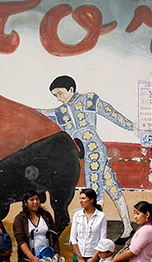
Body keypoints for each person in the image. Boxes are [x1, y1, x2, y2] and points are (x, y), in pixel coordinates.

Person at [40, 75, 135, 236]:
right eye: (55, 95)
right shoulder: (60, 111)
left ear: (71, 89)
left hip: (93, 147)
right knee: (111, 186)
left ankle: (96, 231)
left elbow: (110, 112)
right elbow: (41, 114)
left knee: (94, 187)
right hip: (86, 150)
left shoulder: (88, 99)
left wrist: (132, 127)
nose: (58, 98)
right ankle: (127, 227)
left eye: (60, 93)